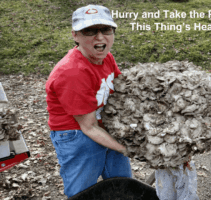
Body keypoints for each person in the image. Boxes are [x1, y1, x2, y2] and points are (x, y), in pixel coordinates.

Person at [45, 5, 132, 198]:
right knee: (83, 193)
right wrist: (127, 148)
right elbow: (88, 127)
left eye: (106, 29)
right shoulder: (72, 73)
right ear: (75, 35)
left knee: (124, 185)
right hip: (76, 134)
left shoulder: (106, 57)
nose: (100, 37)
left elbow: (122, 89)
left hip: (103, 124)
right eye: (89, 31)